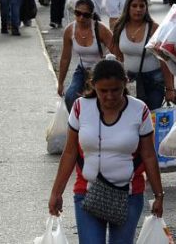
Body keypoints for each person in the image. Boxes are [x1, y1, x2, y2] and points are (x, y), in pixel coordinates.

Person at [48, 57, 166, 244]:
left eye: (115, 90)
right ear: (93, 85)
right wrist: (56, 193)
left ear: (125, 83)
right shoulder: (80, 107)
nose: (110, 96)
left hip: (128, 196)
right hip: (87, 192)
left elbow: (149, 155)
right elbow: (70, 153)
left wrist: (159, 195)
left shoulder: (139, 110)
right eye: (103, 91)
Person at [112, 0, 176, 110]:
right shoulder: (119, 27)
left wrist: (170, 89)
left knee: (152, 115)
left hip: (154, 81)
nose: (138, 9)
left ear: (146, 8)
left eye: (142, 6)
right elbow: (118, 57)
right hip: (129, 80)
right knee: (132, 115)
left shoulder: (154, 28)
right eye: (134, 6)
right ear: (128, 7)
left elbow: (164, 60)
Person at [57, 0, 120, 111]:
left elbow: (118, 54)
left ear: (92, 15)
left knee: (99, 100)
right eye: (78, 13)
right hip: (82, 69)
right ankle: (76, 120)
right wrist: (60, 83)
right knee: (70, 96)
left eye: (86, 15)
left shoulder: (101, 29)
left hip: (101, 70)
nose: (81, 17)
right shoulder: (69, 30)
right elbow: (65, 58)